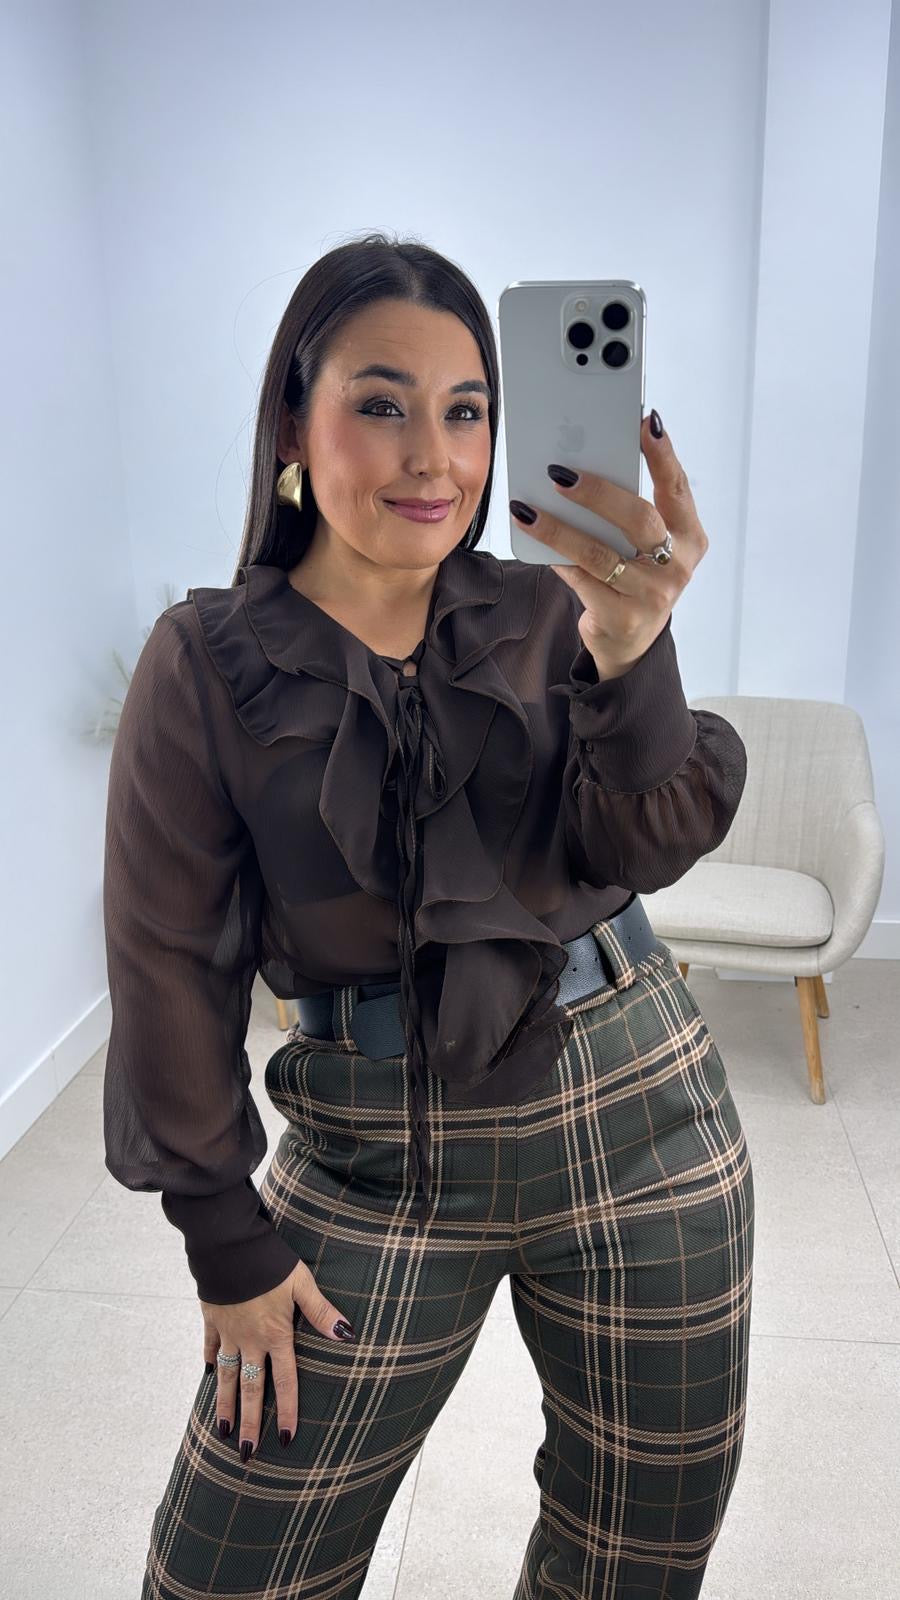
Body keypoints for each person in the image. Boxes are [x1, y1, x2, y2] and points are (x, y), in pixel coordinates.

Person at [103, 232, 754, 1599]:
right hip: (369, 1152)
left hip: (636, 1105)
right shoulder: (207, 663)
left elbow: (649, 840)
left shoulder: (556, 606)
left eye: (467, 411)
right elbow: (169, 965)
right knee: (231, 1571)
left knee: (635, 1555)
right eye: (381, 403)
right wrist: (224, 1236)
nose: (432, 458)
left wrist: (634, 654)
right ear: (294, 419)